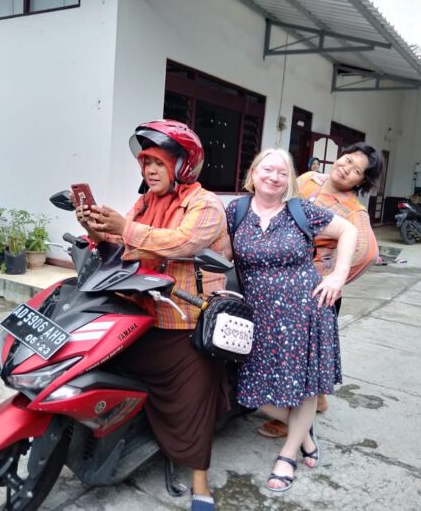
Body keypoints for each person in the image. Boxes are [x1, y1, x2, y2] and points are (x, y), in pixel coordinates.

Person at [74, 119, 230, 511]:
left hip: (186, 319)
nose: (150, 171)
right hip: (141, 309)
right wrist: (95, 230)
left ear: (183, 165)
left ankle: (200, 480)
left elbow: (182, 243)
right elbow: (121, 242)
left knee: (195, 395)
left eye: (159, 162)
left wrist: (124, 228)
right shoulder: (146, 202)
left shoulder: (205, 202)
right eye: (146, 163)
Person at [225, 148, 357, 492]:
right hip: (258, 313)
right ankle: (305, 435)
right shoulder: (235, 210)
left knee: (305, 385)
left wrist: (337, 277)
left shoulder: (301, 211)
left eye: (282, 173)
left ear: (289, 181)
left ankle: (288, 454)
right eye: (267, 169)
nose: (273, 177)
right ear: (253, 173)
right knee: (249, 390)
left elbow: (349, 233)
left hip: (305, 308)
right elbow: (217, 251)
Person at [257, 142, 383, 439]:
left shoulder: (354, 210)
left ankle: (289, 417)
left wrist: (332, 279)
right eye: (347, 160)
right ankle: (319, 399)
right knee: (286, 350)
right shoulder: (307, 179)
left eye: (356, 171)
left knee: (297, 357)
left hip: (312, 292)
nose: (346, 169)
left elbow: (366, 252)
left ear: (361, 181)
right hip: (279, 282)